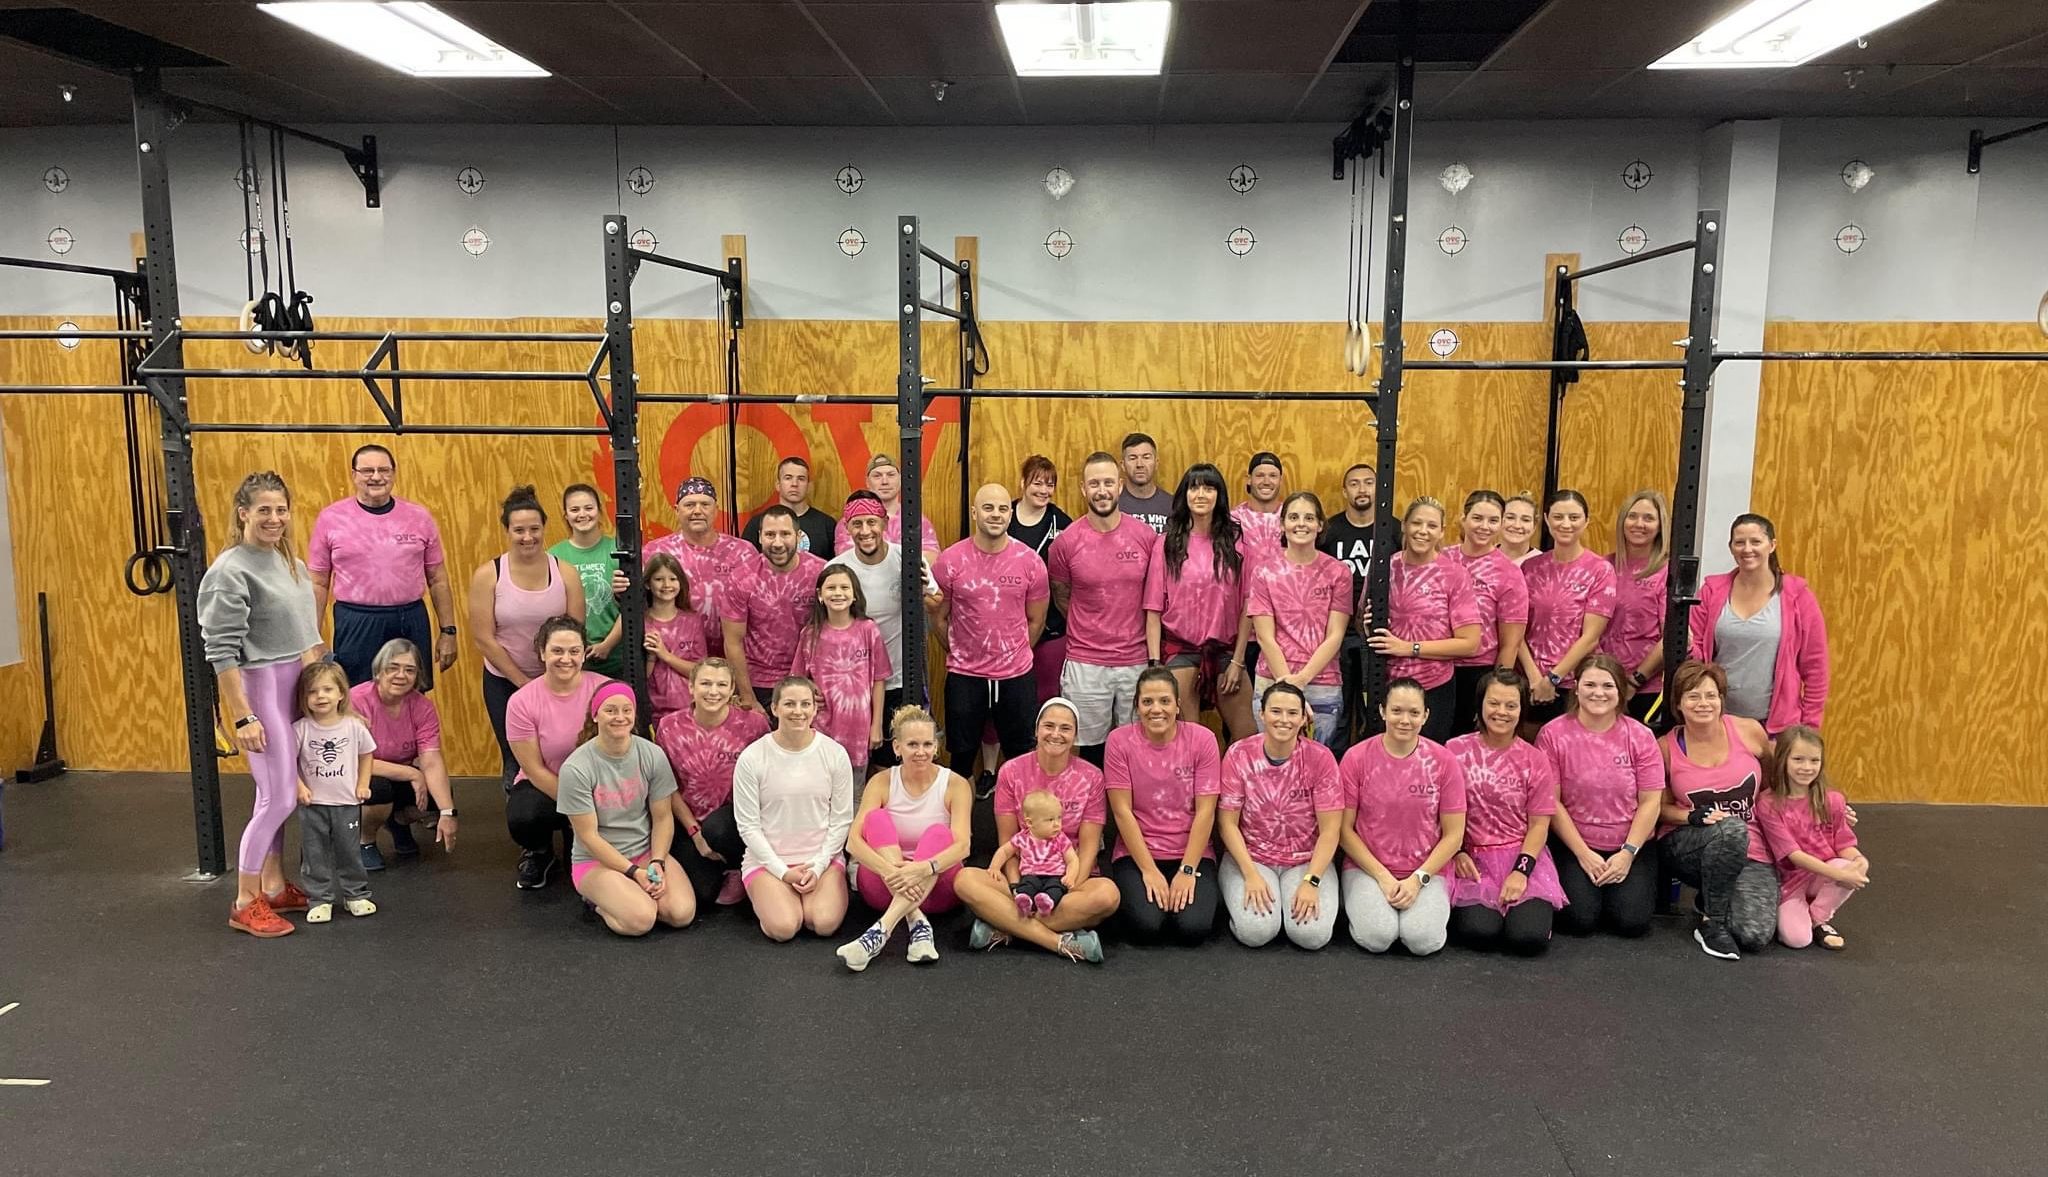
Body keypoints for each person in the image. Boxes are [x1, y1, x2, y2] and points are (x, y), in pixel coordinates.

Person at [201, 471, 324, 938]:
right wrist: (242, 715)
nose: (274, 518)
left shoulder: (285, 558)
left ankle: (272, 886)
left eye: (281, 509)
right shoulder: (229, 571)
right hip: (259, 688)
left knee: (271, 796)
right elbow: (222, 653)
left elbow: (302, 630)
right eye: (264, 510)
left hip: (291, 680)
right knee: (280, 796)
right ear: (243, 513)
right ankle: (244, 900)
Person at [954, 699, 1120, 962]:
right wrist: (1017, 888)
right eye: (1049, 726)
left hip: (1068, 880)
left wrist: (1067, 887)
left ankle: (1006, 926)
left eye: (1065, 728)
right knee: (964, 881)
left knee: (1108, 896)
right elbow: (1008, 844)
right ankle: (1058, 942)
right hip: (1023, 876)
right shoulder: (1011, 771)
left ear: (1075, 735)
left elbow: (1088, 849)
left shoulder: (1092, 777)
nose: (1056, 734)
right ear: (1036, 730)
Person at [307, 444, 458, 692]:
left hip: (410, 620)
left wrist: (448, 631)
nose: (376, 477)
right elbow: (318, 584)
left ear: (394, 474)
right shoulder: (331, 519)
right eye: (367, 470)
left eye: (383, 470)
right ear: (354, 475)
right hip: (356, 622)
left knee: (410, 699)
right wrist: (312, 640)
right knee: (358, 699)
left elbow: (438, 579)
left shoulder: (419, 517)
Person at [836, 706, 973, 971]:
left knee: (940, 834)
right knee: (874, 820)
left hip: (938, 887)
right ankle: (916, 922)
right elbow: (853, 842)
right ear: (897, 747)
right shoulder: (881, 781)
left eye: (927, 744)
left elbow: (962, 846)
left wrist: (922, 868)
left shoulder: (956, 784)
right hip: (884, 884)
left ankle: (879, 932)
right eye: (912, 744)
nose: (920, 751)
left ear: (936, 747)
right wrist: (893, 873)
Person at [1338, 677, 1467, 955]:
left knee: (1423, 941)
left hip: (1427, 870)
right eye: (1396, 711)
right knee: (1377, 937)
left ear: (1426, 716)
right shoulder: (1355, 758)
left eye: (1413, 713)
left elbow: (1454, 835)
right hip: (1368, 869)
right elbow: (1344, 831)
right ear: (1383, 711)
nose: (1404, 720)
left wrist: (1418, 878)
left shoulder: (1444, 762)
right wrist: (1383, 877)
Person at [1658, 659, 1777, 960]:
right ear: (1679, 704)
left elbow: (1777, 785)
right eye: (1693, 696)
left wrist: (1827, 807)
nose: (1703, 703)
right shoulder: (1664, 748)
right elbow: (1657, 809)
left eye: (1710, 695)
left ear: (1721, 699)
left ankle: (1709, 898)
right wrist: (1691, 816)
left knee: (1754, 934)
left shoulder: (1749, 731)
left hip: (1750, 846)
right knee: (1731, 830)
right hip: (1689, 841)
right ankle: (1711, 924)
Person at [1047, 452, 1160, 767]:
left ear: (1120, 486)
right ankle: (1093, 813)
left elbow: (1156, 598)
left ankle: (1132, 815)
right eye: (1094, 483)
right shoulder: (1066, 543)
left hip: (1136, 662)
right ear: (1083, 489)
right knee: (1089, 750)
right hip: (1086, 663)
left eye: (1108, 482)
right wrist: (1091, 628)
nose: (1102, 490)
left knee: (1136, 750)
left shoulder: (1146, 538)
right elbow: (1061, 594)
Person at [1538, 654, 1663, 939]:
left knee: (1631, 923)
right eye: (1590, 684)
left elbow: (1651, 802)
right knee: (1579, 920)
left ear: (1620, 691)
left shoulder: (1641, 736)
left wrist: (1628, 854)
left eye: (1608, 686)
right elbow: (1552, 802)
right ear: (1576, 688)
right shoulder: (1553, 734)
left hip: (1631, 844)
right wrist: (1583, 854)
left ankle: (1615, 891)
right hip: (1575, 843)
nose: (1598, 693)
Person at [468, 486, 586, 784]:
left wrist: (553, 678)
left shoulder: (566, 572)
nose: (528, 537)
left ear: (545, 528)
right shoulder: (488, 575)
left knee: (565, 751)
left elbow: (575, 633)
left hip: (561, 679)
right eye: (519, 530)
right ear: (507, 531)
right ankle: (521, 820)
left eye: (534, 529)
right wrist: (523, 684)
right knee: (517, 758)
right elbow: (484, 638)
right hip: (505, 682)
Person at [558, 682, 696, 937]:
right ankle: (597, 903)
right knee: (641, 920)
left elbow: (663, 818)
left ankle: (630, 893)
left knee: (681, 914)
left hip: (643, 852)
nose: (620, 717)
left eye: (626, 710)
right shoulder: (576, 768)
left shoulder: (652, 755)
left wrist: (657, 861)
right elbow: (588, 837)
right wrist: (633, 873)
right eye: (610, 710)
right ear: (596, 714)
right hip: (595, 861)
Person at [1216, 682, 1344, 950]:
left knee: (1312, 936)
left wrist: (1312, 880)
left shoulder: (1320, 758)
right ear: (1261, 714)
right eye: (1276, 711)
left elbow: (1331, 830)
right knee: (1256, 932)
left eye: (1292, 713)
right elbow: (1227, 824)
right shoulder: (1239, 755)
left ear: (1302, 717)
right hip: (1251, 857)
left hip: (1305, 860)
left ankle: (1287, 903)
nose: (1284, 720)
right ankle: (1258, 905)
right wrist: (1250, 874)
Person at [931, 484, 1048, 775]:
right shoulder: (950, 561)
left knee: (1022, 759)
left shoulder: (1031, 562)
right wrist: (962, 652)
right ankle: (961, 821)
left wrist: (1011, 653)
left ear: (1010, 514)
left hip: (1016, 676)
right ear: (974, 512)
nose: (996, 514)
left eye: (1002, 508)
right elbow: (938, 618)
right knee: (961, 760)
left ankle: (1022, 820)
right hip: (965, 676)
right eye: (988, 508)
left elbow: (1036, 621)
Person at [1445, 670, 1564, 955]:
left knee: (1527, 939)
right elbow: (1440, 812)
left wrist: (1521, 872)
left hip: (1520, 855)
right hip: (1469, 858)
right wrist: (1457, 851)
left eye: (1511, 705)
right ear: (1480, 704)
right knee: (1479, 933)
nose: (1502, 712)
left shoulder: (1535, 759)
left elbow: (1539, 825)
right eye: (1494, 703)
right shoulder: (1453, 751)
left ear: (1522, 709)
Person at [731, 676, 855, 941]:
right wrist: (782, 871)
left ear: (814, 708)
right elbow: (748, 826)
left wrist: (820, 865)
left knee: (823, 923)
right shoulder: (752, 757)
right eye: (789, 704)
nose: (798, 711)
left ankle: (806, 896)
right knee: (784, 928)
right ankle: (768, 895)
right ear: (775, 708)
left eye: (805, 704)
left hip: (820, 859)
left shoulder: (834, 754)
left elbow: (842, 819)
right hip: (769, 861)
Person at [1105, 668, 1222, 946]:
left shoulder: (1202, 739)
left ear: (1178, 704)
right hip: (1138, 853)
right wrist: (1148, 870)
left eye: (1165, 701)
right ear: (1137, 705)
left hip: (1192, 852)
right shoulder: (1119, 742)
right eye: (1147, 702)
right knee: (1147, 927)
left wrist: (1188, 870)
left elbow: (1206, 811)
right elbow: (1122, 811)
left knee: (1193, 929)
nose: (1156, 709)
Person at [1687, 512, 1829, 734]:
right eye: (1739, 542)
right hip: (1717, 723)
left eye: (1756, 541)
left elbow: (1816, 667)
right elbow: (1696, 657)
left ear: (1771, 545)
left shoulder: (1798, 597)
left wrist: (1809, 727)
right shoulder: (1711, 592)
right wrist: (1686, 645)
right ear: (1731, 547)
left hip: (1774, 728)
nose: (1747, 549)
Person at [1145, 463, 1255, 742]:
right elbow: (1154, 609)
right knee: (1190, 740)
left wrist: (1239, 661)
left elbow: (1247, 606)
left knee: (1247, 737)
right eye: (1195, 487)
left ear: (1219, 495)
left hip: (1227, 651)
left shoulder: (1237, 541)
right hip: (1181, 649)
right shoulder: (1167, 543)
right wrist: (1156, 664)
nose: (1201, 494)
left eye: (1209, 487)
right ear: (1185, 494)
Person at [1360, 496, 1480, 744]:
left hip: (1433, 687)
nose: (1423, 531)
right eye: (1416, 523)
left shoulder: (1454, 575)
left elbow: (1470, 643)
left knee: (1427, 762)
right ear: (1404, 525)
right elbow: (1361, 624)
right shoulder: (1383, 566)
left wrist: (1409, 648)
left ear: (1441, 532)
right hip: (1386, 685)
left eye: (1432, 526)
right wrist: (1367, 625)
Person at [504, 616, 611, 891]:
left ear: (584, 653)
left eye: (574, 651)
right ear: (542, 653)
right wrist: (580, 810)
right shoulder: (521, 702)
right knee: (524, 816)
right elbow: (535, 770)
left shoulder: (605, 690)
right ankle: (540, 852)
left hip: (599, 787)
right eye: (557, 651)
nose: (566, 659)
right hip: (548, 785)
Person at [827, 492, 932, 768]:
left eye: (872, 522)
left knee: (891, 763)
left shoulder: (908, 561)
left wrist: (924, 593)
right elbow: (820, 630)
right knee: (850, 765)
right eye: (857, 524)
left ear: (885, 523)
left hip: (898, 679)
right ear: (847, 528)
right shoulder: (837, 570)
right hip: (851, 686)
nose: (865, 531)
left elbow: (936, 600)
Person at [655, 658, 770, 908]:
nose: (713, 691)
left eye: (721, 685)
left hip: (733, 822)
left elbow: (767, 779)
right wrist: (694, 832)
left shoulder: (754, 725)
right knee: (703, 895)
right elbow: (667, 786)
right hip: (690, 820)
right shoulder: (669, 727)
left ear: (731, 690)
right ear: (691, 687)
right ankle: (712, 865)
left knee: (718, 829)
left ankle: (737, 866)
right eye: (706, 683)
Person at [1247, 491, 1352, 747]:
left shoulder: (1338, 572)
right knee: (1275, 760)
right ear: (1282, 524)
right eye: (1293, 517)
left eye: (1308, 518)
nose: (1301, 524)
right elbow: (1264, 635)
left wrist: (1302, 679)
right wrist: (1287, 684)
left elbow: (1335, 635)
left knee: (1315, 762)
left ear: (1320, 525)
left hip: (1321, 683)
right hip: (1273, 680)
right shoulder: (1264, 571)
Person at [1757, 725, 1867, 950]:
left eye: (1814, 761)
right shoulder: (1768, 804)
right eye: (1798, 759)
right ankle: (1806, 920)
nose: (1806, 767)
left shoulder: (1832, 800)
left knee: (1850, 866)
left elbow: (1844, 843)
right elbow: (1793, 855)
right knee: (1797, 940)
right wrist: (1839, 873)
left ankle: (1819, 919)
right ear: (1783, 760)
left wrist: (1860, 861)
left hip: (1824, 874)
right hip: (1791, 881)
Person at [351, 639, 457, 870]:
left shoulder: (422, 707)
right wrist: (411, 773)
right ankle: (365, 842)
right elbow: (351, 762)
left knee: (440, 794)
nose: (401, 675)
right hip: (361, 775)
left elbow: (431, 759)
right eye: (393, 667)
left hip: (398, 774)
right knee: (378, 790)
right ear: (379, 670)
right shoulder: (355, 700)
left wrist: (448, 812)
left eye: (409, 670)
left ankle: (397, 821)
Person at [1516, 489, 1614, 728]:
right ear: (1547, 519)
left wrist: (1553, 678)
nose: (1566, 524)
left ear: (1586, 521)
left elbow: (1591, 637)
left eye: (1574, 517)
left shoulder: (1600, 570)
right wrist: (1534, 677)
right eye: (1558, 517)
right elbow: (1515, 630)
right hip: (1528, 681)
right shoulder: (1530, 567)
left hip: (1575, 684)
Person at [291, 661, 378, 923]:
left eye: (327, 689)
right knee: (314, 852)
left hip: (346, 803)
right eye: (312, 691)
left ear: (341, 693)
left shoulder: (353, 727)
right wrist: (299, 786)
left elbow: (367, 755)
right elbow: (288, 762)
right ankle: (319, 899)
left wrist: (363, 784)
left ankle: (356, 894)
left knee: (349, 850)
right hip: (313, 804)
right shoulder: (301, 729)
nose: (320, 696)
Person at [643, 476, 766, 659]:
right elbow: (639, 602)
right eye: (690, 504)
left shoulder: (743, 552)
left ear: (716, 510)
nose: (697, 511)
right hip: (673, 659)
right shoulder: (655, 552)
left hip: (734, 657)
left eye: (705, 504)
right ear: (677, 510)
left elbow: (761, 607)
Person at [791, 565, 892, 781]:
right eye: (831, 588)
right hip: (821, 729)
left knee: (855, 792)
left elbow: (879, 680)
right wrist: (809, 689)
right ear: (820, 595)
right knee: (821, 789)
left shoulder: (868, 630)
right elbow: (797, 682)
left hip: (859, 729)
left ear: (855, 594)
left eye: (845, 587)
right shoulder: (810, 634)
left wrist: (876, 726)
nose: (838, 593)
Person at [721, 505, 826, 710]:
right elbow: (733, 641)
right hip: (759, 684)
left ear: (798, 536)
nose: (777, 543)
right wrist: (748, 697)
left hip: (810, 681)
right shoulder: (742, 578)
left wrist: (823, 680)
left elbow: (835, 631)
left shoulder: (821, 573)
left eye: (785, 534)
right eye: (770, 534)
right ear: (760, 537)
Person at [1444, 490, 1529, 737]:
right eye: (1477, 518)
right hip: (1436, 663)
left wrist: (1493, 690)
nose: (1484, 526)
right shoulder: (1443, 558)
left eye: (1493, 521)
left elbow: (1510, 644)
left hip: (1477, 672)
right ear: (1463, 519)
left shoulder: (1509, 573)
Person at [1010, 455, 1074, 725]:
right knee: (1006, 699)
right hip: (1007, 626)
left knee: (1046, 696)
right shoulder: (1004, 515)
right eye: (1037, 483)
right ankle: (992, 767)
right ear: (1023, 483)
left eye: (1050, 485)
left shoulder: (1063, 524)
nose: (1043, 490)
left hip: (1051, 628)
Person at [1319, 462, 1376, 753]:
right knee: (1338, 712)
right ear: (1344, 491)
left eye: (1368, 482)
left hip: (1377, 636)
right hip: (1336, 634)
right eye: (1354, 483)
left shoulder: (1391, 529)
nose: (1362, 489)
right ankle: (1335, 772)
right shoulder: (1331, 531)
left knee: (1372, 710)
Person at [1602, 490, 1671, 725]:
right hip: (1600, 685)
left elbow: (1672, 636)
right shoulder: (1603, 567)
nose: (1639, 524)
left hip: (1644, 689)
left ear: (1661, 526)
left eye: (1649, 518)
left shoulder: (1667, 573)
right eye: (1632, 517)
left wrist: (1635, 681)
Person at [549, 483, 625, 678]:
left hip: (619, 658)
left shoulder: (619, 549)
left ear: (599, 511)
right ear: (566, 515)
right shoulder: (554, 556)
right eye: (574, 509)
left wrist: (607, 644)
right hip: (573, 661)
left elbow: (637, 605)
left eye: (588, 508)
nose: (582, 514)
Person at [833, 452, 940, 557]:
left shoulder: (916, 521)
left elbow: (931, 556)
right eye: (877, 476)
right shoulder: (852, 522)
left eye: (891, 475)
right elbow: (847, 560)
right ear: (867, 482)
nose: (885, 481)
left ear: (901, 480)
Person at [641, 553, 703, 720]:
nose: (667, 585)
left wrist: (665, 655)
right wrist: (651, 657)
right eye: (659, 579)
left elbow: (699, 672)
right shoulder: (641, 623)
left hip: (689, 709)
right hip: (654, 711)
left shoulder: (692, 621)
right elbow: (640, 677)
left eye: (673, 579)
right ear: (648, 584)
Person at [742, 455, 836, 557]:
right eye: (788, 478)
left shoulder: (827, 525)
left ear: (809, 486)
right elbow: (746, 566)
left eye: (801, 479)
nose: (794, 484)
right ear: (778, 485)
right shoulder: (758, 523)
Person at [1233, 450, 1286, 554]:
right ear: (1249, 479)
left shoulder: (1292, 518)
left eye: (1273, 476)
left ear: (1280, 480)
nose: (1266, 482)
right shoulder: (1234, 520)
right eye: (1260, 475)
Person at [1116, 431, 1170, 534]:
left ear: (1156, 463)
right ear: (1123, 465)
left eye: (1146, 457)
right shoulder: (1112, 506)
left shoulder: (1172, 506)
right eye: (1132, 458)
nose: (1139, 464)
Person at [1499, 493, 1540, 567]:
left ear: (1534, 526)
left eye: (1525, 520)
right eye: (1510, 518)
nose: (1517, 525)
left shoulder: (1544, 564)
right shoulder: (1482, 558)